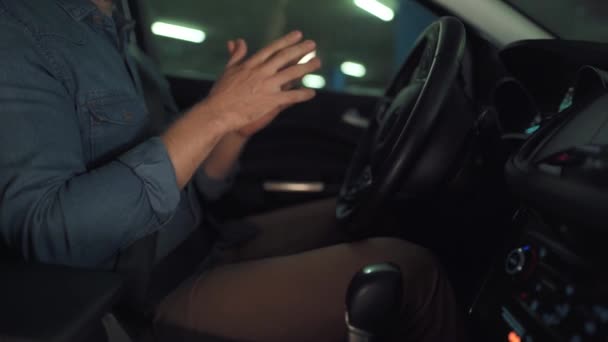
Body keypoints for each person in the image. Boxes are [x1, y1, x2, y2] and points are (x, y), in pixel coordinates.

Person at [0, 0, 464, 341]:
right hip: (141, 298)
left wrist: (235, 130)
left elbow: (198, 188)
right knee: (411, 272)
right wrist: (216, 113)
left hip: (203, 243)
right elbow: (47, 238)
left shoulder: (119, 34)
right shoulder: (17, 33)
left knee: (367, 215)